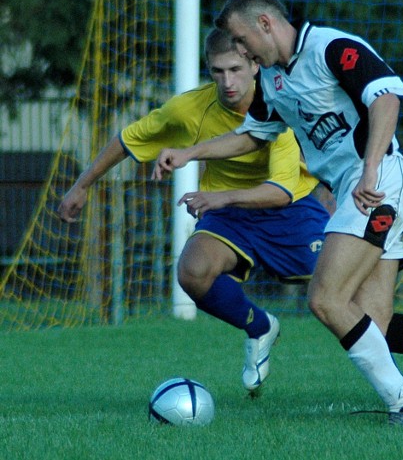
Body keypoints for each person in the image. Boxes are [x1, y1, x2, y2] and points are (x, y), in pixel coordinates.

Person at [152, 0, 403, 427]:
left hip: (379, 183)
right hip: (363, 188)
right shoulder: (272, 80)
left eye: (240, 39)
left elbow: (386, 99)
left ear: (264, 25)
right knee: (373, 323)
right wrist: (188, 154)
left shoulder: (331, 48)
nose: (240, 50)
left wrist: (369, 169)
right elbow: (255, 135)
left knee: (328, 299)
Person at [57, 27, 330, 396]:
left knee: (339, 293)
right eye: (217, 71)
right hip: (228, 211)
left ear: (254, 65)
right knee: (192, 271)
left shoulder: (277, 103)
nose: (227, 81)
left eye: (235, 69)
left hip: (290, 208)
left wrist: (221, 197)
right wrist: (82, 185)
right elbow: (127, 139)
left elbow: (279, 193)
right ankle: (260, 326)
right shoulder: (189, 109)